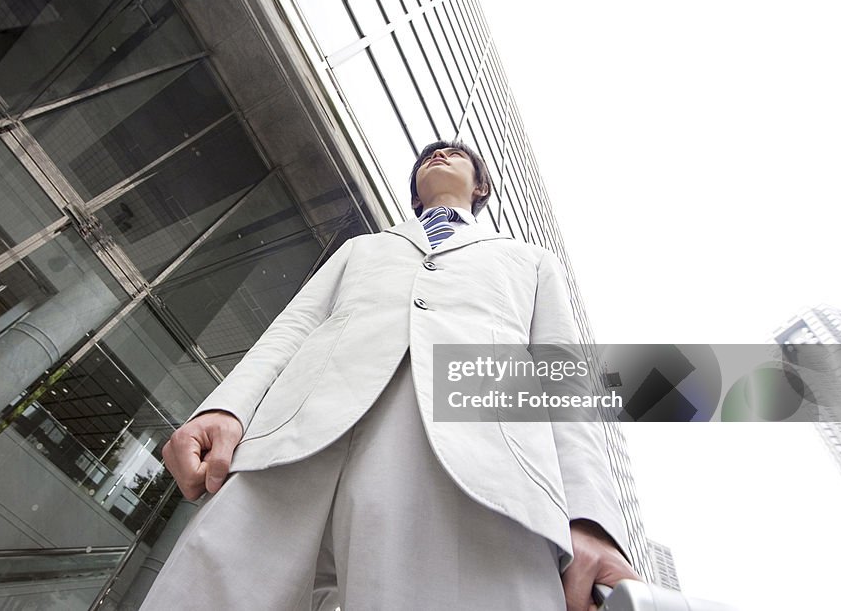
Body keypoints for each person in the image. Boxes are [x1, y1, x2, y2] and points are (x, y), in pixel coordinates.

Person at [142, 140, 640, 610]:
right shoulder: (363, 248)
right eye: (429, 155)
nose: (440, 154)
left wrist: (590, 519)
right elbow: (293, 328)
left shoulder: (528, 260)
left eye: (455, 155)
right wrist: (227, 408)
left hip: (476, 469)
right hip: (292, 443)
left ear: (482, 188)